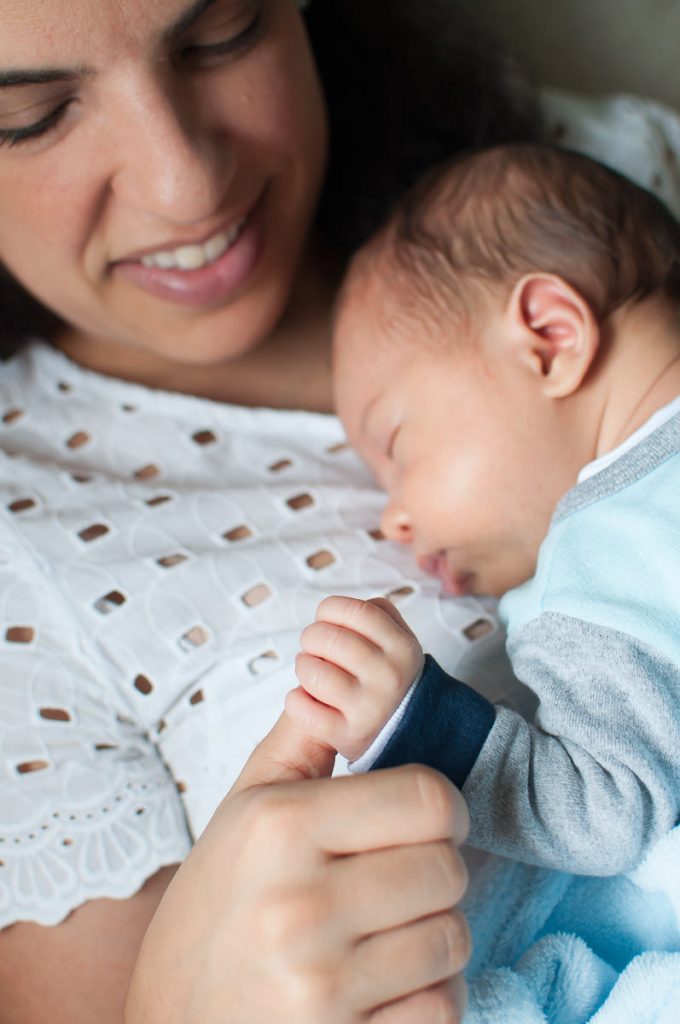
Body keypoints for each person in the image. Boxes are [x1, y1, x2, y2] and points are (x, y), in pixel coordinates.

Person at [0, 1, 540, 1021]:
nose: (185, 180)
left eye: (222, 34)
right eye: (32, 116)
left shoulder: (582, 188)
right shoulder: (17, 560)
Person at [287, 142, 680, 876]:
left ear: (549, 339)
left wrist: (421, 724)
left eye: (397, 449)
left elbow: (605, 811)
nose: (392, 521)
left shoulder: (604, 551)